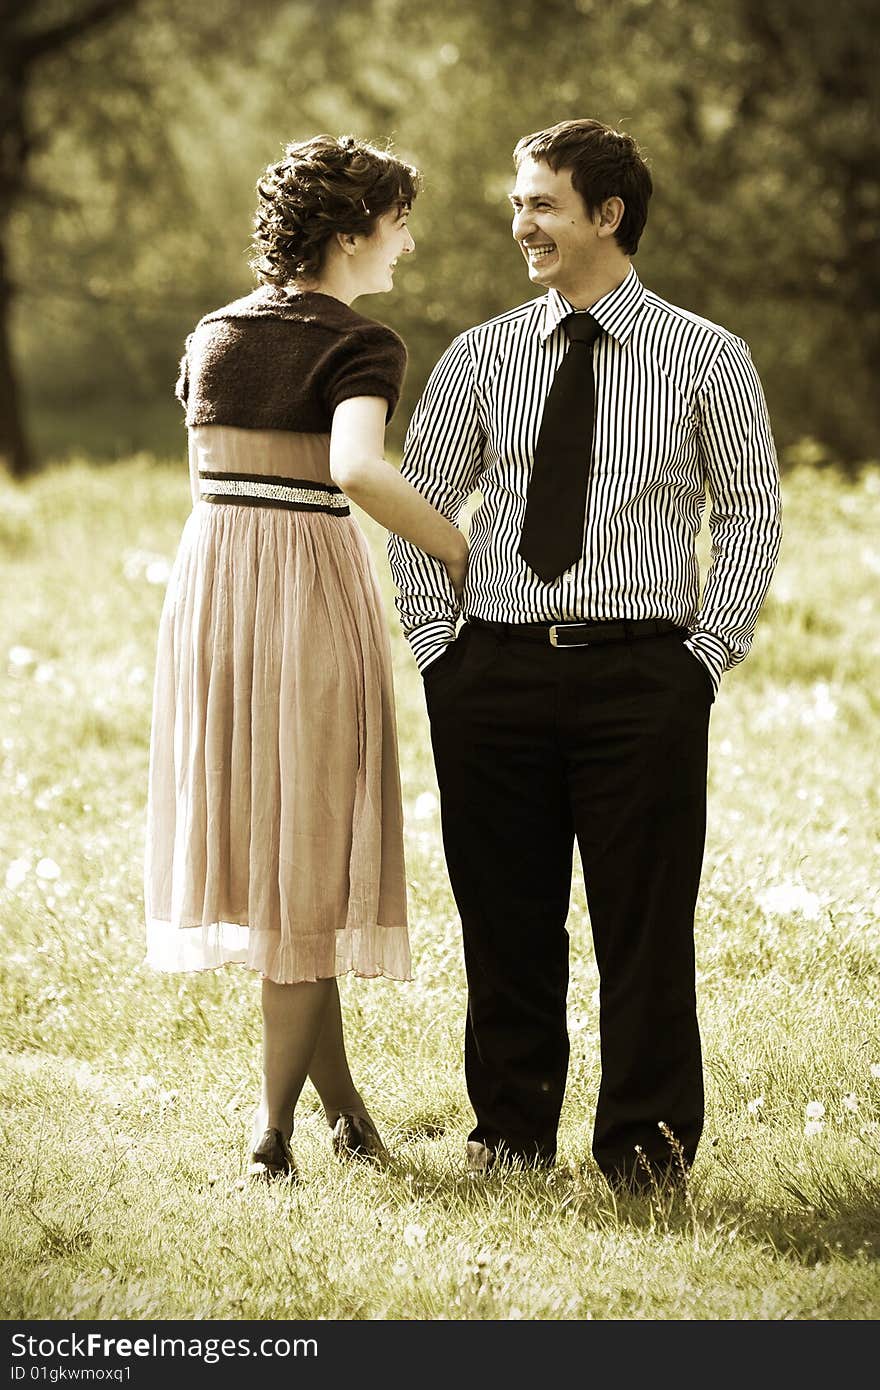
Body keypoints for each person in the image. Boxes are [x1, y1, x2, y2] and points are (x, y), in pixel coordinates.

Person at [387, 118, 782, 1193]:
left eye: (542, 203)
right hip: (492, 674)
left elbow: (748, 514)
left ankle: (646, 1154)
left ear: (607, 215)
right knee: (505, 921)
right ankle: (509, 1136)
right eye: (518, 202)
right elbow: (419, 509)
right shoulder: (480, 356)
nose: (522, 223)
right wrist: (438, 649)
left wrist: (705, 656)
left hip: (643, 677)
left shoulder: (708, 357)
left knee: (644, 929)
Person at [144, 133, 468, 1181]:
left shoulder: (210, 335)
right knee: (309, 862)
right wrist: (457, 546)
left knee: (285, 860)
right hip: (301, 602)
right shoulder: (361, 342)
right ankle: (271, 1132)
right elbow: (356, 470)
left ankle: (346, 1115)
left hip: (211, 602)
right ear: (347, 235)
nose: (404, 247)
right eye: (397, 225)